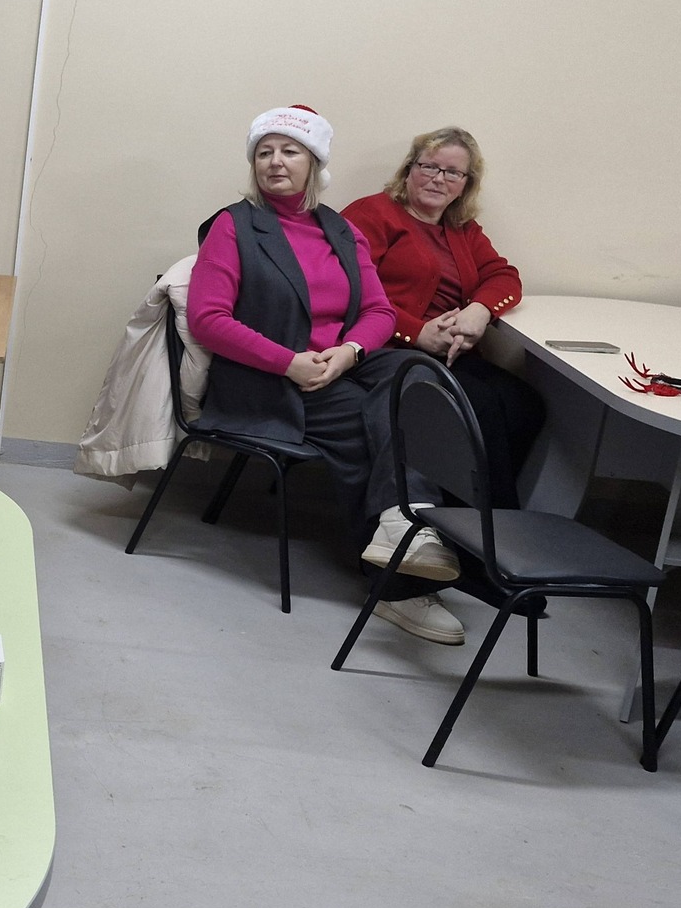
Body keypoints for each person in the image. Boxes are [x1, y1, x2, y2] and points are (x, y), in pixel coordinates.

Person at [187, 106, 466, 644]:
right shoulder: (233, 226)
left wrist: (350, 352)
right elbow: (208, 319)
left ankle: (404, 521)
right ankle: (398, 590)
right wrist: (288, 361)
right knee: (369, 425)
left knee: (417, 377)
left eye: (290, 151)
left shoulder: (340, 230)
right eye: (264, 152)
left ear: (314, 162)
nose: (275, 162)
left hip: (336, 364)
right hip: (269, 376)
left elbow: (379, 311)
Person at [342, 128, 544, 509]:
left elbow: (504, 276)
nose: (438, 179)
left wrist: (479, 312)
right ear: (409, 169)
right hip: (388, 349)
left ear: (465, 184)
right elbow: (347, 291)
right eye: (429, 167)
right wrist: (417, 333)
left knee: (525, 405)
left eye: (453, 172)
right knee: (478, 407)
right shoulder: (371, 214)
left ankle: (483, 517)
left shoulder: (461, 228)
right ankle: (477, 526)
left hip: (449, 352)